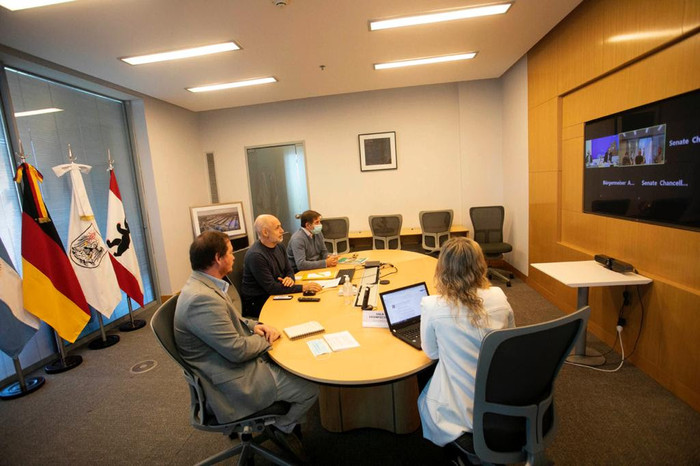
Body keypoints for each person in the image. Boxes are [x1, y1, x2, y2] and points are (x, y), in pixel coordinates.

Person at [174, 230, 319, 460]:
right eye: (230, 253)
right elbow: (237, 351)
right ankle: (284, 426)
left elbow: (234, 319)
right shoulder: (201, 300)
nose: (234, 257)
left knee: (296, 362)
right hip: (232, 382)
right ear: (218, 258)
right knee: (311, 387)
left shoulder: (204, 284)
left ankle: (282, 423)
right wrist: (267, 339)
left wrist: (257, 326)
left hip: (228, 362)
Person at [417, 237, 515, 447]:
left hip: (459, 409)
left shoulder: (432, 305)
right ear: (480, 265)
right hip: (502, 395)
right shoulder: (499, 296)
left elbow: (432, 353)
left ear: (442, 268)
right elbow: (511, 340)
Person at [241, 214, 321, 317]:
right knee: (299, 311)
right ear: (265, 232)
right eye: (277, 228)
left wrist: (289, 278)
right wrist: (303, 287)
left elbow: (289, 270)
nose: (282, 230)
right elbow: (272, 288)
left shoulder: (279, 246)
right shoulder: (256, 256)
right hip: (259, 302)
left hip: (276, 292)